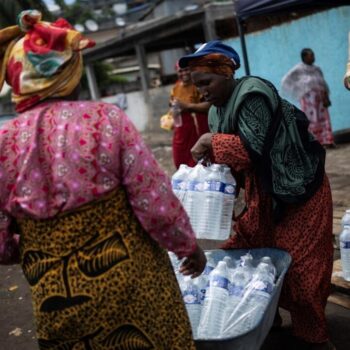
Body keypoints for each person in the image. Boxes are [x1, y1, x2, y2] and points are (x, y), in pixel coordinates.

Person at [0, 10, 206, 349]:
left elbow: (4, 243)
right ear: (69, 73)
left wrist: (29, 249)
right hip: (130, 285)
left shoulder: (5, 142)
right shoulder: (105, 120)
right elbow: (154, 201)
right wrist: (187, 247)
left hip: (56, 297)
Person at [179, 40, 335, 350]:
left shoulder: (252, 95)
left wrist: (211, 141)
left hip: (298, 190)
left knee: (302, 272)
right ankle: (263, 323)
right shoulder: (216, 111)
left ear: (226, 73)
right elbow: (232, 163)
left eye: (207, 82)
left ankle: (315, 338)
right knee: (249, 258)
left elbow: (254, 148)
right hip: (263, 194)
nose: (202, 92)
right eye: (197, 86)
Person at [281, 48, 335, 147]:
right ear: (304, 57)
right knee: (311, 120)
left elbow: (322, 82)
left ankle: (327, 140)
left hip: (320, 100)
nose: (313, 57)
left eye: (313, 55)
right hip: (308, 101)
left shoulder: (317, 69)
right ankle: (315, 142)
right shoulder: (299, 69)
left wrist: (326, 95)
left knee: (323, 119)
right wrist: (299, 89)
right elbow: (286, 80)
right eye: (311, 55)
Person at [170, 62, 211, 168]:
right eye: (180, 71)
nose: (184, 73)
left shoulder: (198, 84)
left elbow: (209, 105)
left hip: (198, 126)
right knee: (181, 159)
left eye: (186, 69)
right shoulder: (176, 88)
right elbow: (172, 105)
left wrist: (187, 106)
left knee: (201, 157)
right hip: (182, 129)